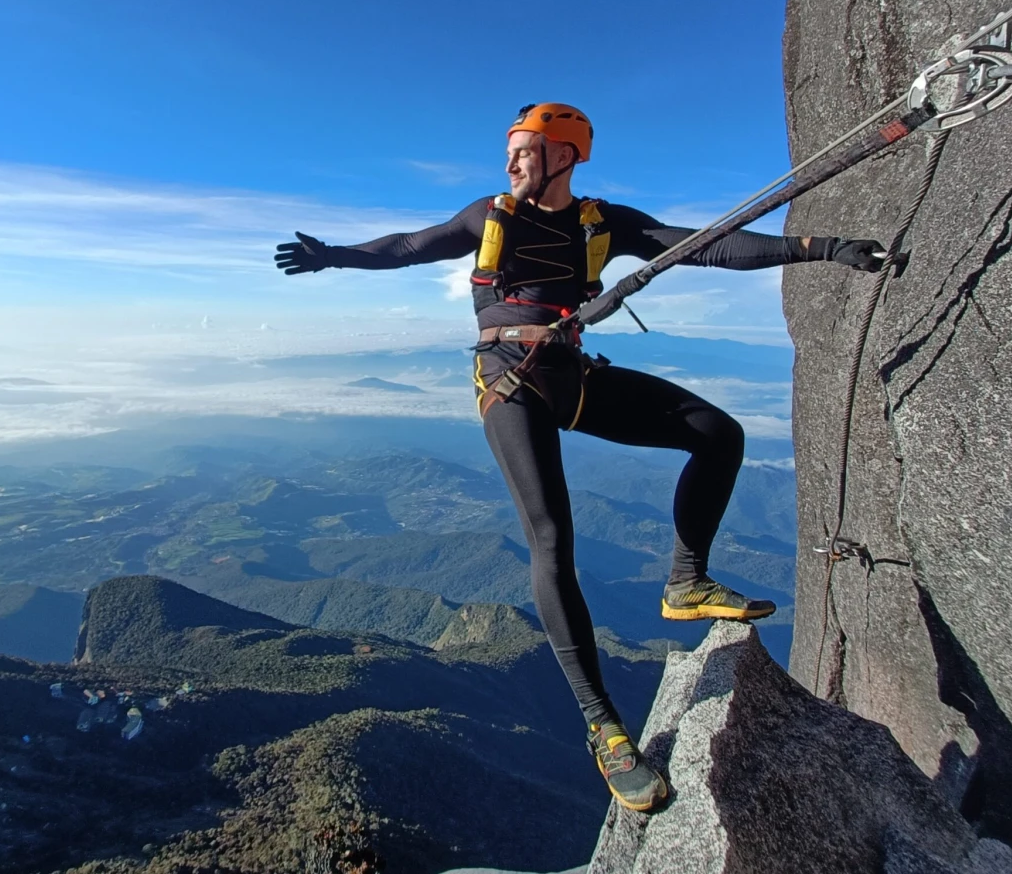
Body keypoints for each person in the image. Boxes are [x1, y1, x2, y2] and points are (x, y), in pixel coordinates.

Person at [274, 102, 883, 813]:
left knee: (719, 433)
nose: (510, 163)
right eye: (510, 152)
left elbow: (707, 244)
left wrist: (821, 247)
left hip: (573, 375)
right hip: (510, 381)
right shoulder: (489, 216)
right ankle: (605, 728)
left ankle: (686, 581)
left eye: (524, 150)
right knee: (552, 538)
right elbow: (412, 243)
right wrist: (332, 256)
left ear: (564, 154)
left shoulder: (602, 221)